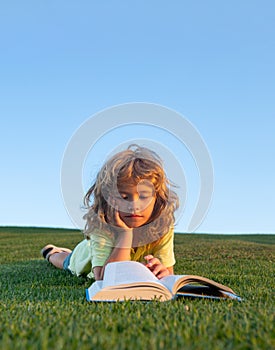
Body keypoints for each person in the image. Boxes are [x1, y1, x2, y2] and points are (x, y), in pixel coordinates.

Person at [41, 144, 179, 280]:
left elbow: (168, 272)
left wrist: (161, 271)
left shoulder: (162, 226)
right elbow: (104, 278)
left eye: (143, 197)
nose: (134, 206)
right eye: (124, 197)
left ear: (157, 199)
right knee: (66, 261)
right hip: (84, 256)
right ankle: (51, 252)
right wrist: (126, 234)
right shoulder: (102, 227)